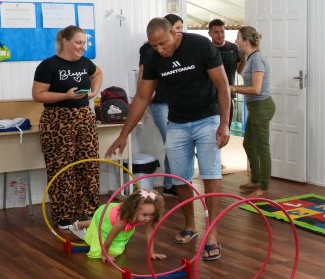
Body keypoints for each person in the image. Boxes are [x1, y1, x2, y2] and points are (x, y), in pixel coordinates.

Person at [106, 17, 231, 262]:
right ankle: (190, 226)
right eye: (154, 46)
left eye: (163, 44)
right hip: (177, 122)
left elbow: (222, 85)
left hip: (208, 118)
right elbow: (142, 97)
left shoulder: (200, 46)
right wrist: (123, 134)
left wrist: (225, 123)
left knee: (210, 175)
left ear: (174, 33)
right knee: (179, 178)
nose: (160, 50)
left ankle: (213, 234)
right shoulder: (153, 59)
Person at [32, 25, 104, 230]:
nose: (82, 47)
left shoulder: (85, 63)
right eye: (78, 43)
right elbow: (38, 95)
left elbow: (98, 73)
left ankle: (89, 212)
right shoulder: (49, 65)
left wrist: (93, 92)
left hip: (84, 117)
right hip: (57, 120)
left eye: (84, 43)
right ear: (65, 41)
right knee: (62, 168)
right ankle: (64, 215)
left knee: (89, 164)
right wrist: (66, 95)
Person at [138, 14, 184, 197]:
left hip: (177, 103)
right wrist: (144, 100)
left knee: (173, 144)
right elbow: (143, 75)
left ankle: (171, 183)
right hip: (160, 103)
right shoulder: (148, 51)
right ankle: (172, 183)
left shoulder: (185, 47)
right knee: (172, 143)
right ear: (170, 30)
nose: (181, 31)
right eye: (178, 28)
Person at [231, 26, 274, 198]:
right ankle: (255, 179)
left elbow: (256, 89)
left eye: (238, 38)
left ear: (246, 41)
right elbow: (245, 78)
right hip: (255, 108)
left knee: (262, 148)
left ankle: (263, 187)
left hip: (261, 107)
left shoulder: (257, 60)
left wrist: (232, 88)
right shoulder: (251, 58)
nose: (236, 41)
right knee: (248, 144)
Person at [68, 189, 166, 260]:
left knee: (96, 223)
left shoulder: (147, 217)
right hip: (105, 213)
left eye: (152, 214)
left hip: (115, 214)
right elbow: (110, 236)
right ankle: (79, 225)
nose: (148, 218)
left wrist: (151, 253)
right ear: (134, 211)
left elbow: (149, 234)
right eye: (144, 215)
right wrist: (104, 254)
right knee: (100, 224)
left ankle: (78, 225)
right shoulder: (122, 220)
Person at [208, 18, 241, 126]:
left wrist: (245, 56)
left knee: (226, 128)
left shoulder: (234, 48)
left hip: (228, 95)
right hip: (209, 98)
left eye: (222, 31)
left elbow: (240, 70)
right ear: (210, 34)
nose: (220, 35)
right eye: (216, 32)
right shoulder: (206, 49)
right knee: (211, 130)